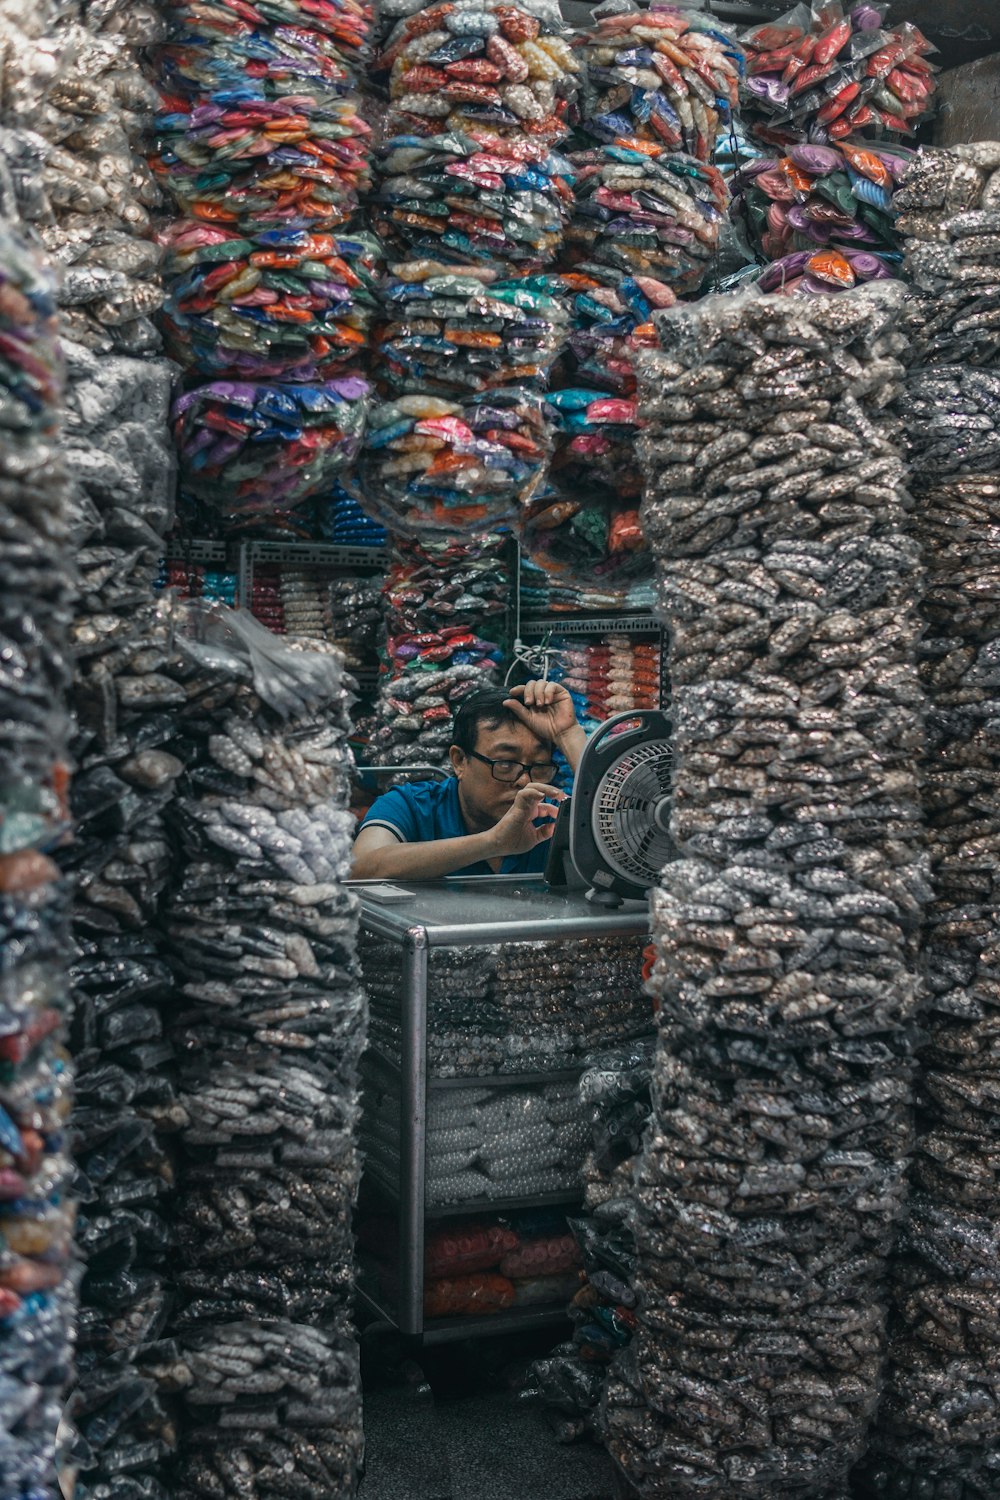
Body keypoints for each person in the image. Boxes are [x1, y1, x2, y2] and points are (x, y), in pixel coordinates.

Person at [351, 680, 587, 881]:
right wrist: (493, 842)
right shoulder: (412, 806)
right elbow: (362, 868)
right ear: (460, 761)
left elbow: (620, 828)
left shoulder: (553, 815)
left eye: (539, 766)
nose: (525, 781)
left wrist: (569, 733)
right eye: (505, 764)